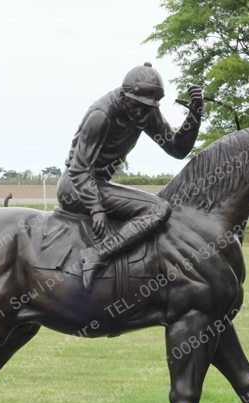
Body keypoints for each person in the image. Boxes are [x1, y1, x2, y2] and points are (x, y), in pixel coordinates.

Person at [57, 62, 204, 292]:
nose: (142, 112)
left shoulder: (145, 113)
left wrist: (195, 114)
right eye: (138, 105)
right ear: (125, 94)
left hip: (99, 185)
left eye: (148, 107)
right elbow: (79, 168)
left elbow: (177, 149)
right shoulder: (101, 114)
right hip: (75, 187)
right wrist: (95, 207)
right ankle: (96, 255)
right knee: (158, 209)